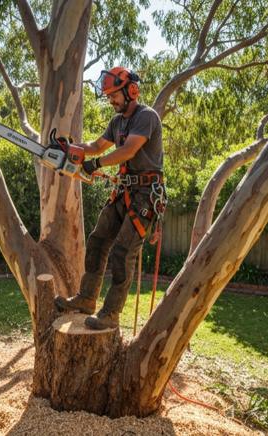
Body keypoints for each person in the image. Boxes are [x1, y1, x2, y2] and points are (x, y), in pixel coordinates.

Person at [54, 66, 165, 330]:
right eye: (108, 96)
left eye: (114, 95)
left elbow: (127, 151)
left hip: (146, 196)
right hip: (124, 191)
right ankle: (86, 299)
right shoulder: (117, 122)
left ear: (131, 90)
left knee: (122, 253)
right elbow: (96, 146)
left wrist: (96, 164)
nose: (110, 101)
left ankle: (111, 313)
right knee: (97, 241)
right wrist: (71, 148)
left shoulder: (146, 116)